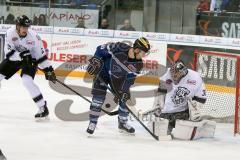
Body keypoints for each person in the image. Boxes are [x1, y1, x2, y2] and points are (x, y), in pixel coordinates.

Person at [86, 37, 150, 135]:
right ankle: (92, 123)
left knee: (125, 97)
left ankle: (122, 123)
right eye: (143, 53)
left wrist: (122, 92)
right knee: (98, 98)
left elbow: (129, 80)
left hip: (117, 79)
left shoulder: (139, 65)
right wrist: (95, 61)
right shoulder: (119, 47)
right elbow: (100, 49)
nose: (144, 55)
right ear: (137, 50)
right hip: (102, 73)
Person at [0, 15, 56, 120]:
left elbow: (41, 56)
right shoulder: (10, 33)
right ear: (17, 26)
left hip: (30, 60)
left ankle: (42, 107)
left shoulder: (34, 36)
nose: (25, 29)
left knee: (27, 80)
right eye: (23, 27)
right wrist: (21, 56)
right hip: (14, 59)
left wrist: (49, 70)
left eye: (27, 27)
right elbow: (8, 53)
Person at [154, 60, 208, 135]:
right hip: (165, 113)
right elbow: (160, 93)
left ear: (182, 73)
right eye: (172, 75)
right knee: (160, 133)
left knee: (184, 135)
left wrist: (195, 110)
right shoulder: (166, 74)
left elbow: (201, 99)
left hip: (183, 113)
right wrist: (158, 107)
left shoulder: (195, 77)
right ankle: (167, 124)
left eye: (176, 76)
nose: (173, 78)